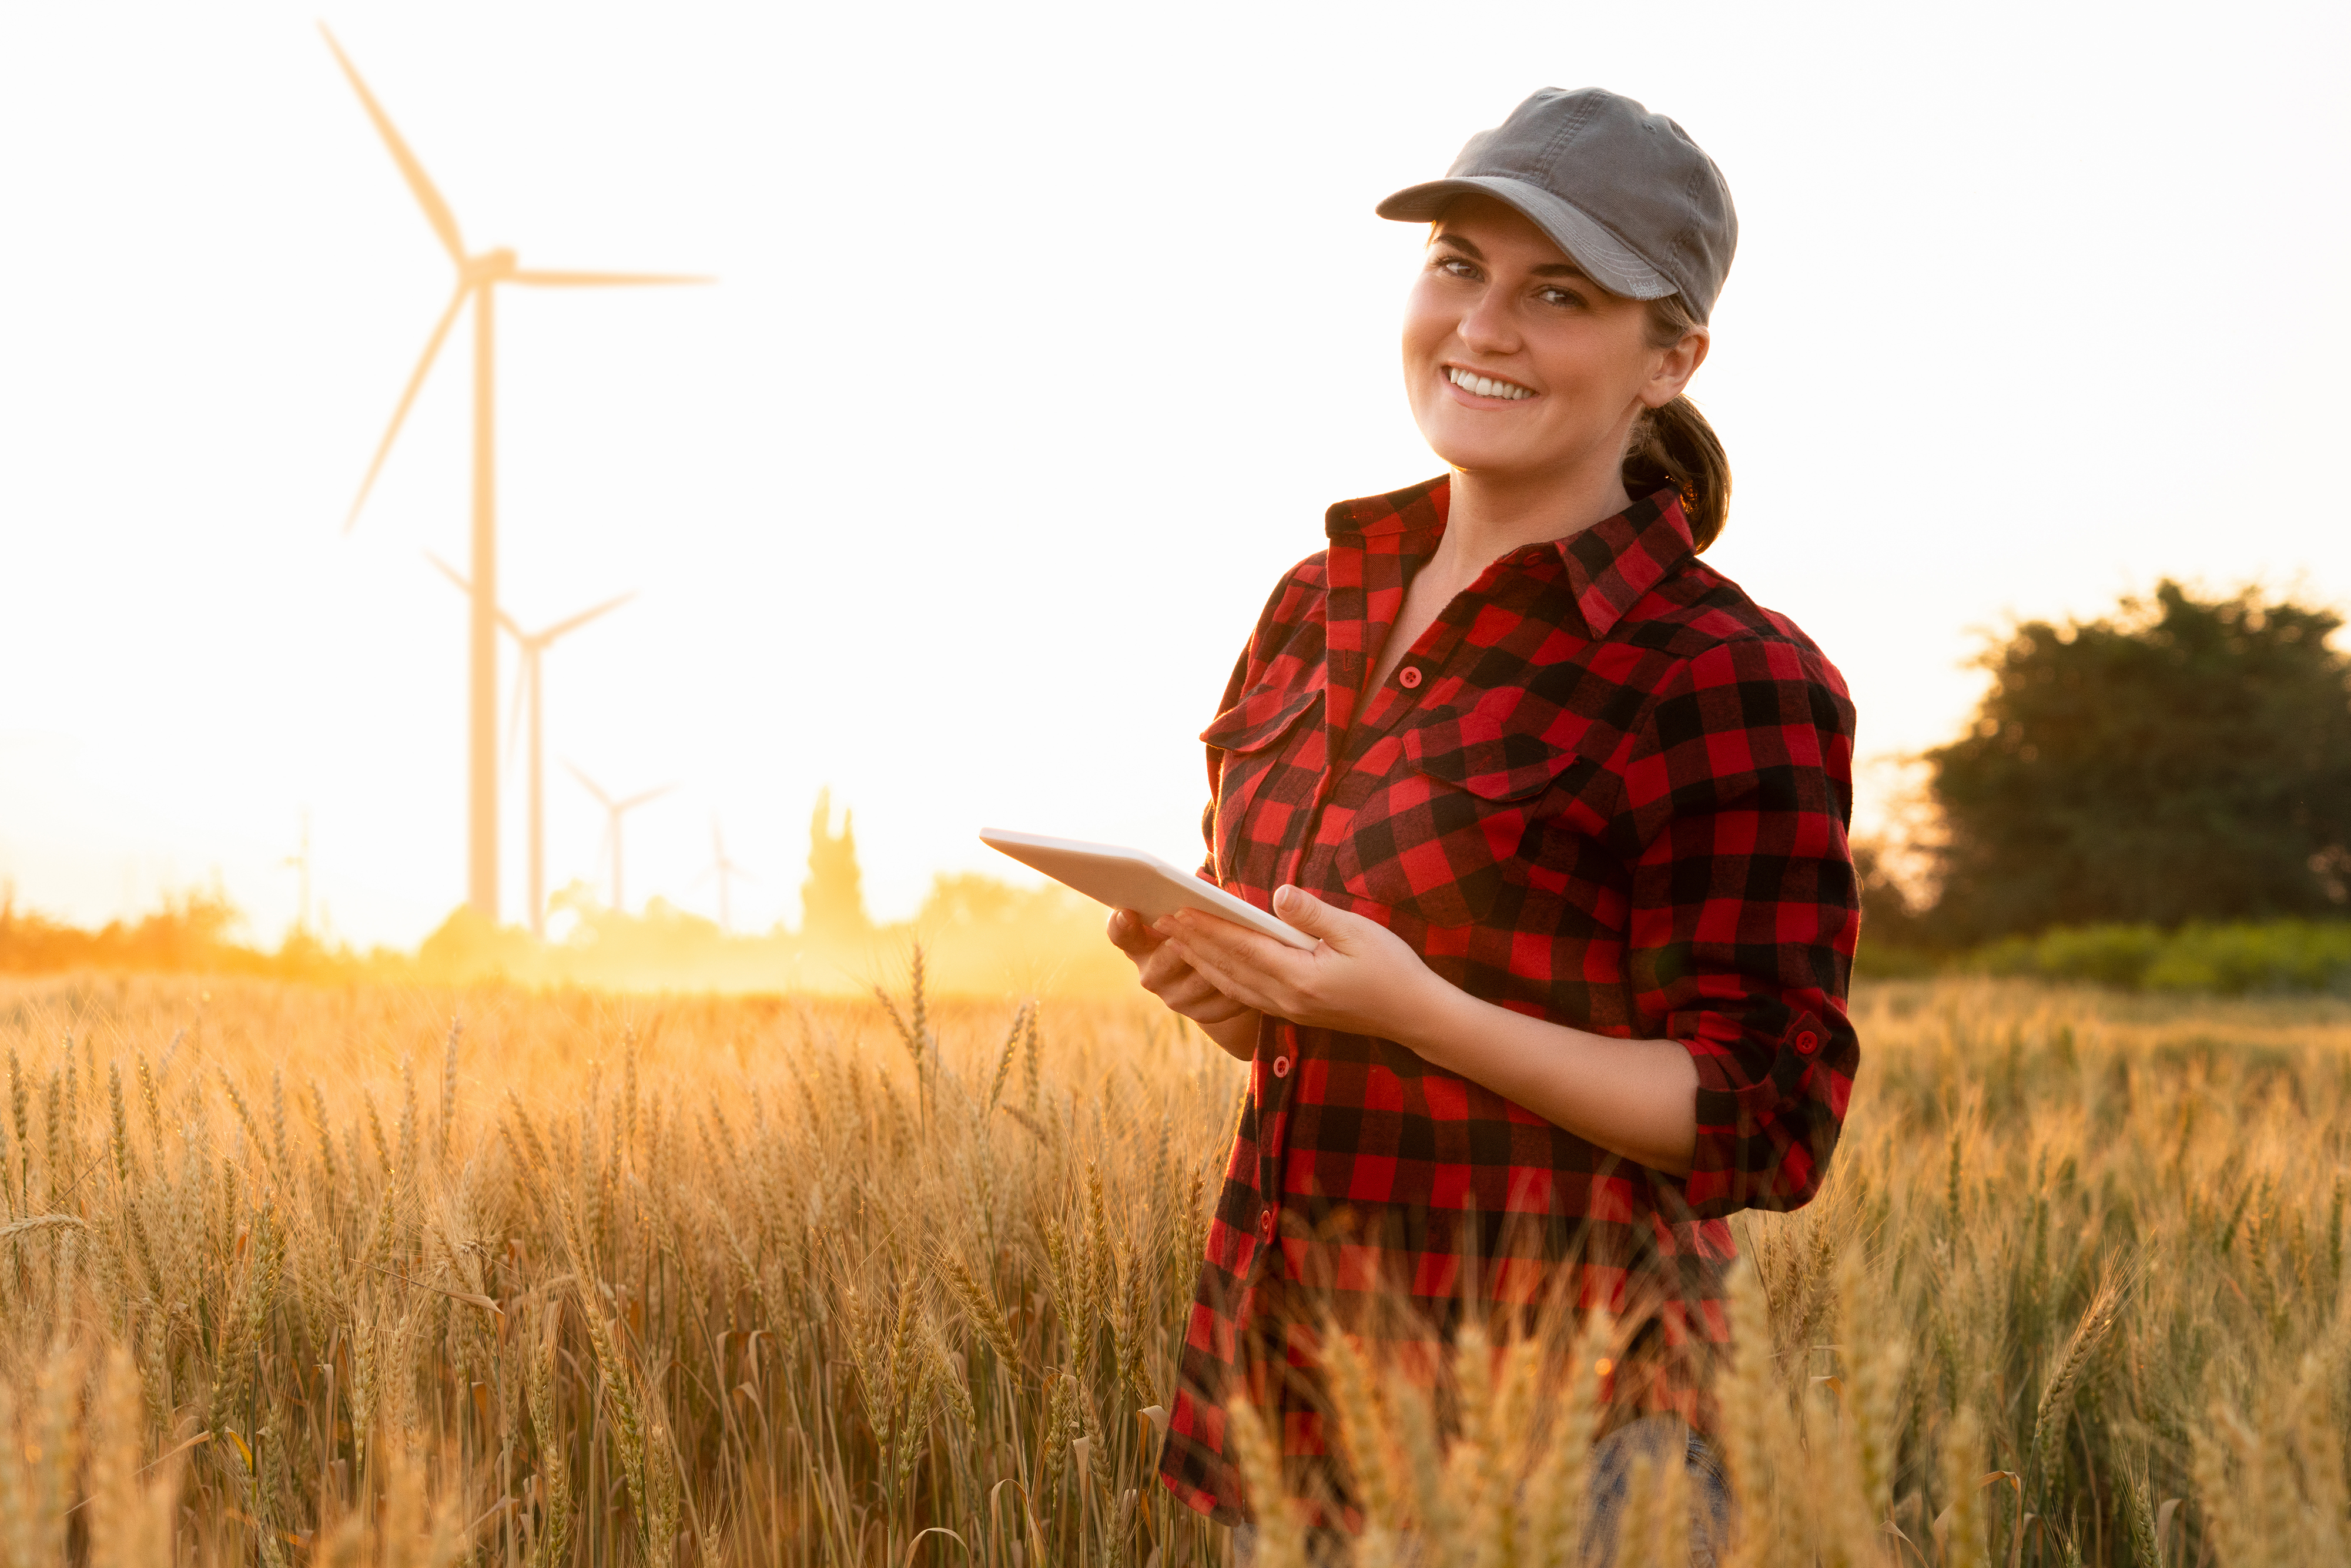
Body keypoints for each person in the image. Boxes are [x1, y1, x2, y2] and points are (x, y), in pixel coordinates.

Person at [1107, 87, 1860, 1562]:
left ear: (1670, 359)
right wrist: (1231, 988)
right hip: (1293, 1407)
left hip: (1578, 1445)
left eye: (1559, 294)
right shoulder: (1314, 603)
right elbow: (1330, 1016)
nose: (1485, 326)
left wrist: (1420, 1012)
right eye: (1458, 264)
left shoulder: (1722, 671)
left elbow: (1763, 1120)